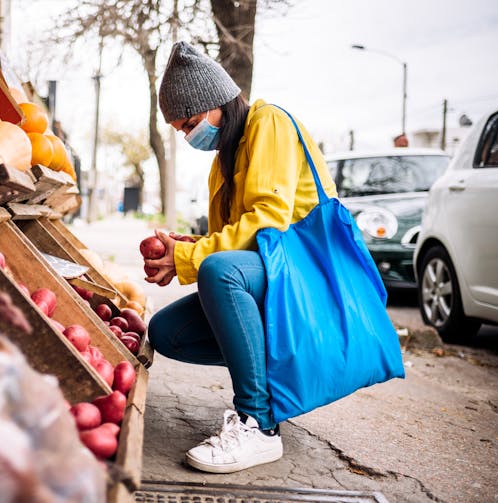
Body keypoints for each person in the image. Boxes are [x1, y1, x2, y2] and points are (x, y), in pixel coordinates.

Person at [144, 41, 338, 474]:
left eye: (190, 123)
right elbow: (229, 238)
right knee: (166, 332)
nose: (188, 135)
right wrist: (187, 245)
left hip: (307, 278)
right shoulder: (223, 162)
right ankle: (275, 383)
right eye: (179, 129)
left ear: (218, 104)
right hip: (272, 276)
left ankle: (259, 424)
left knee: (217, 270)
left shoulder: (268, 122)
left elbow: (266, 222)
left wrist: (193, 256)